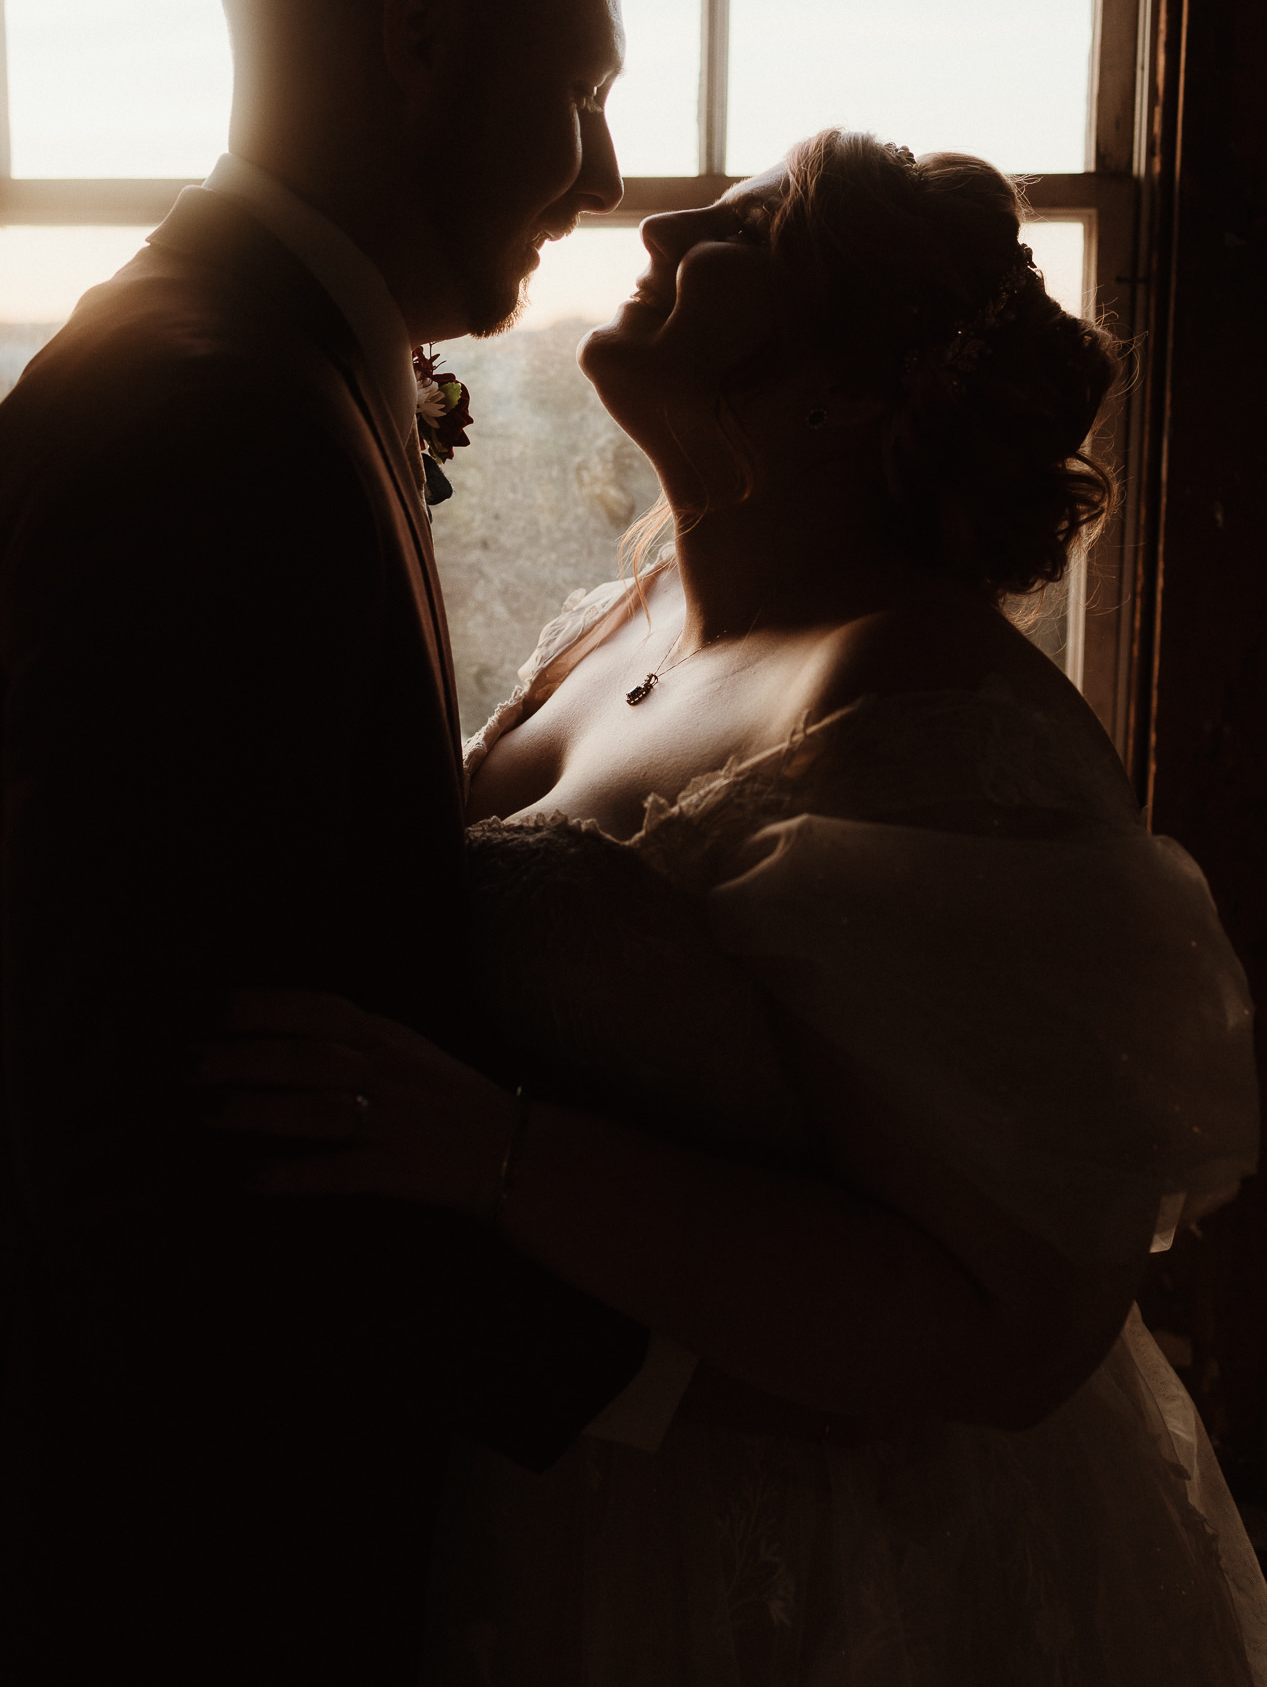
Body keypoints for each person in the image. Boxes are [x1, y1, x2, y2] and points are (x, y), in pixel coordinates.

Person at [203, 131, 1267, 1683]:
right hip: (557, 1477)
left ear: (847, 389)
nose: (663, 223)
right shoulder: (619, 616)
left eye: (747, 233)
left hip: (809, 1571)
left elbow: (1012, 1331)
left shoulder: (927, 719)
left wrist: (491, 1152)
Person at [0, 0, 658, 1681]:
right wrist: (695, 1356)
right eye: (581, 88)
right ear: (419, 28)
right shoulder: (227, 438)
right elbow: (175, 1132)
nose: (604, 173)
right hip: (191, 1561)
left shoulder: (222, 359)